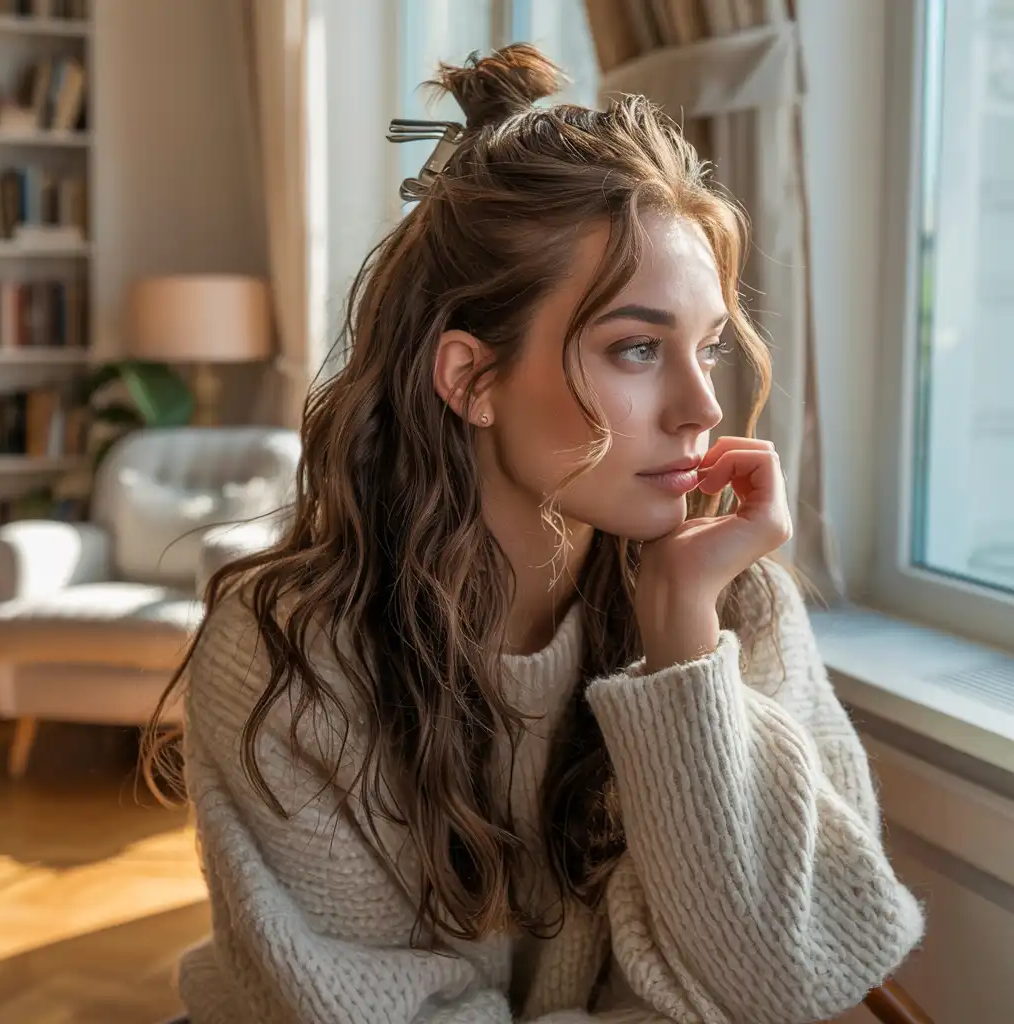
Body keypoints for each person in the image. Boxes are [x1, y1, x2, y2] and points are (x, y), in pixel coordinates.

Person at [149, 43, 924, 1024]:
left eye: (709, 346)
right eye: (637, 348)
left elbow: (787, 978)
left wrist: (682, 643)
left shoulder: (732, 596)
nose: (699, 406)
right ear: (470, 378)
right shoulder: (289, 655)